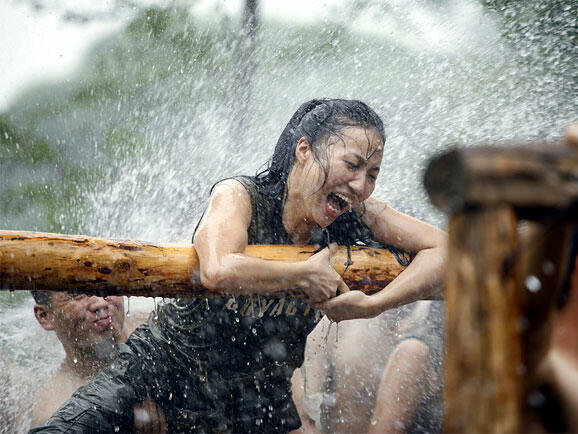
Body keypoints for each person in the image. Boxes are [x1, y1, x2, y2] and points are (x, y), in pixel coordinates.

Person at [31, 98, 446, 433]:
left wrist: (375, 305)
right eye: (352, 165)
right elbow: (216, 268)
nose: (361, 184)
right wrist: (301, 275)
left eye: (372, 174)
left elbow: (447, 251)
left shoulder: (359, 213)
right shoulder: (240, 195)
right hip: (163, 370)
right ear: (304, 150)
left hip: (257, 397)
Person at [30, 291, 165, 430]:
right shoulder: (57, 416)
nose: (101, 303)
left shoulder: (162, 323)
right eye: (77, 294)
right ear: (45, 316)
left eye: (105, 284)